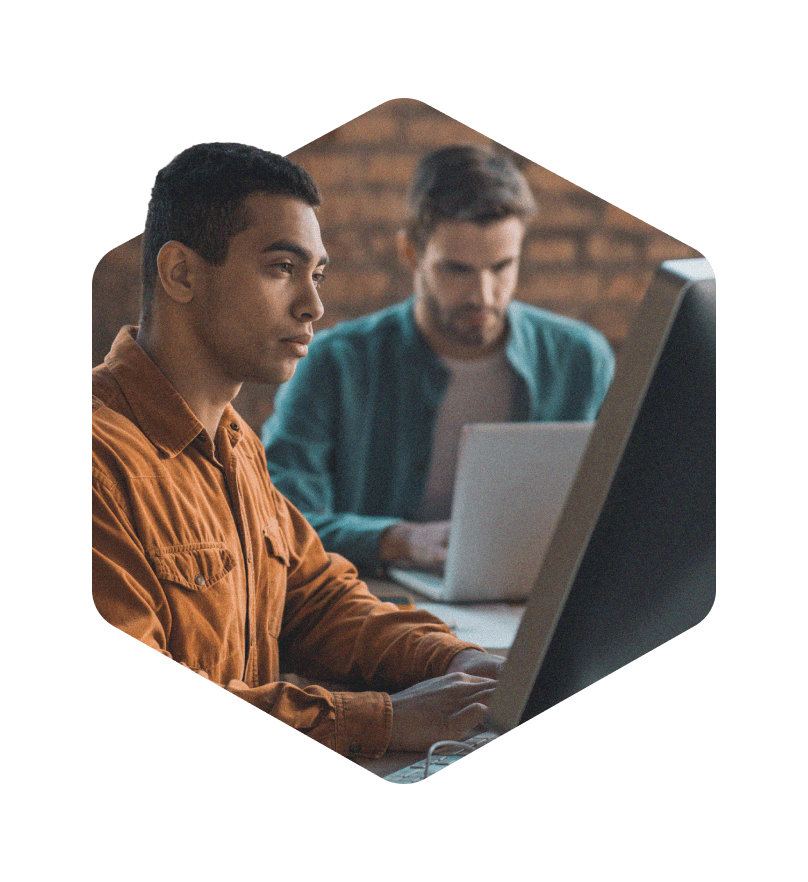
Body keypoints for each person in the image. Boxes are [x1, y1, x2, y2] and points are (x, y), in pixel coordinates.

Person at [92, 142, 503, 761]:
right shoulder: (90, 460)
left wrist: (457, 660)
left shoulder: (233, 444)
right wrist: (383, 720)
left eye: (317, 274)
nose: (313, 306)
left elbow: (315, 597)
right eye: (282, 267)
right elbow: (134, 710)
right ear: (180, 274)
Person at [263, 144, 616, 575]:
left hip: (528, 604)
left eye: (502, 267)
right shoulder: (335, 364)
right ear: (412, 254)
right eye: (457, 270)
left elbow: (619, 513)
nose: (482, 296)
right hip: (377, 607)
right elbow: (280, 520)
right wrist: (399, 541)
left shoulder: (581, 360)